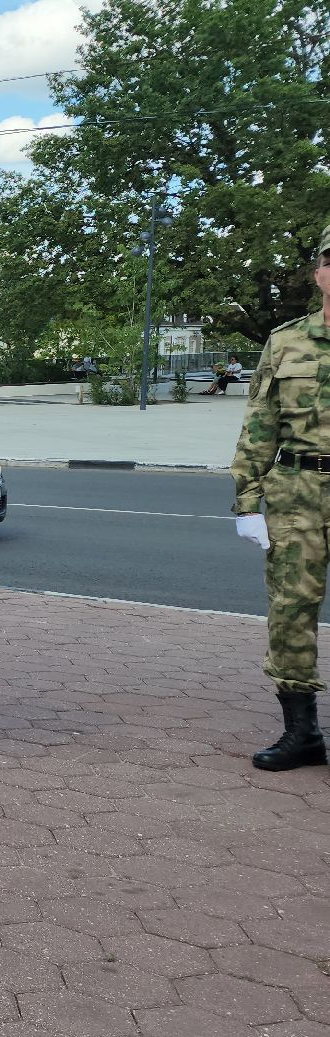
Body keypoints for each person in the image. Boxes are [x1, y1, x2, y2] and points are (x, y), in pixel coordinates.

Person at [229, 220, 330, 772]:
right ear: (318, 272)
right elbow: (260, 423)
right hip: (296, 492)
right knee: (291, 612)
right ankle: (303, 733)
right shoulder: (287, 340)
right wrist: (246, 500)